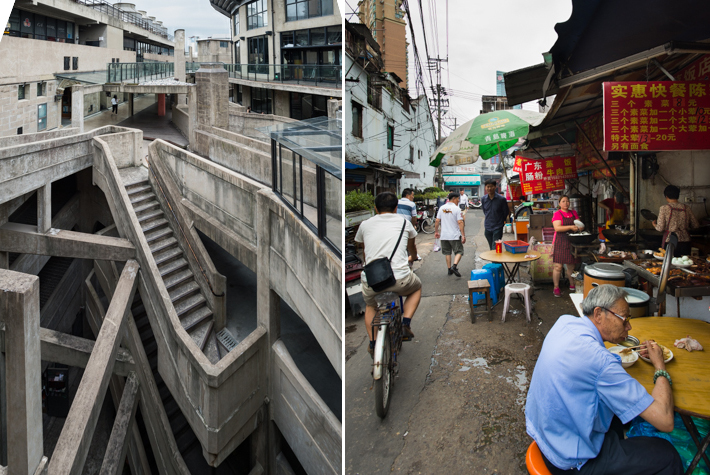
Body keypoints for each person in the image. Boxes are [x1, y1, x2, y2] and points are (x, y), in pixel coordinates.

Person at [526, 285, 681, 475]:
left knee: (620, 419)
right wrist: (660, 367)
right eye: (625, 319)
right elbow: (665, 421)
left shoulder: (564, 322)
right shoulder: (601, 362)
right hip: (570, 462)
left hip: (546, 435)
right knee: (668, 455)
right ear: (599, 314)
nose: (629, 326)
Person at [355, 192, 421, 356]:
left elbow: (364, 251)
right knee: (417, 287)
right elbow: (412, 247)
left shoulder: (365, 224)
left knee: (371, 305)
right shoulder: (404, 222)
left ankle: (372, 343)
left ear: (375, 208)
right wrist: (412, 256)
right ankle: (405, 323)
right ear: (396, 208)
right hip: (400, 278)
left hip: (373, 280)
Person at [652, 185, 700, 257]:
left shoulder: (664, 208)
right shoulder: (686, 208)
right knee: (684, 262)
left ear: (666, 196)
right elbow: (696, 225)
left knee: (670, 264)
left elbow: (660, 228)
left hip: (671, 241)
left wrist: (654, 225)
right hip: (685, 241)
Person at [552, 195, 581, 297]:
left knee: (571, 265)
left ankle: (572, 284)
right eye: (563, 201)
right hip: (560, 241)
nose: (566, 203)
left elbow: (579, 225)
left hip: (572, 241)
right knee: (558, 266)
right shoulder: (557, 214)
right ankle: (556, 287)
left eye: (567, 201)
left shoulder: (574, 213)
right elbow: (557, 228)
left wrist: (579, 228)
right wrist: (570, 227)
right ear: (559, 204)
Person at [435, 192, 465, 277]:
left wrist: (436, 232)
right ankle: (454, 266)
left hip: (444, 235)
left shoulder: (442, 208)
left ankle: (449, 269)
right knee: (459, 251)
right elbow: (460, 222)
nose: (458, 201)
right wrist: (463, 235)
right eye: (458, 199)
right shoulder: (456, 209)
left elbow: (437, 220)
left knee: (447, 252)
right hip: (454, 235)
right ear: (454, 199)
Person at [481, 179, 509, 250]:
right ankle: (496, 260)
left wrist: (502, 221)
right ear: (485, 187)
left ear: (495, 187)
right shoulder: (483, 199)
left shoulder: (501, 199)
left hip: (498, 226)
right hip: (487, 226)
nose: (489, 188)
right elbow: (485, 211)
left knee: (495, 246)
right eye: (488, 187)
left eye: (491, 186)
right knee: (491, 246)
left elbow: (505, 212)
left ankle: (496, 261)